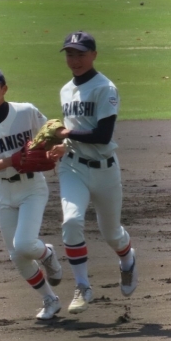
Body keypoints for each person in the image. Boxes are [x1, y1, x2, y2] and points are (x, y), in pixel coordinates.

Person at [48, 31, 138, 314]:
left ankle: (127, 259)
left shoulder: (104, 88)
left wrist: (66, 133)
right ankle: (83, 286)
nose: (75, 60)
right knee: (71, 221)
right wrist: (61, 145)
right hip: (72, 167)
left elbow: (102, 134)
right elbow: (73, 130)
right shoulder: (65, 90)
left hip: (105, 170)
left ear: (94, 55)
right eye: (70, 54)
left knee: (112, 234)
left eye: (81, 54)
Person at [0, 66, 64, 320]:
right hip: (3, 192)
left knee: (25, 245)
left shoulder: (26, 112)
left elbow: (53, 135)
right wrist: (11, 160)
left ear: (4, 89)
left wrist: (57, 149)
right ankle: (50, 299)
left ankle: (47, 254)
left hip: (32, 188)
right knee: (17, 256)